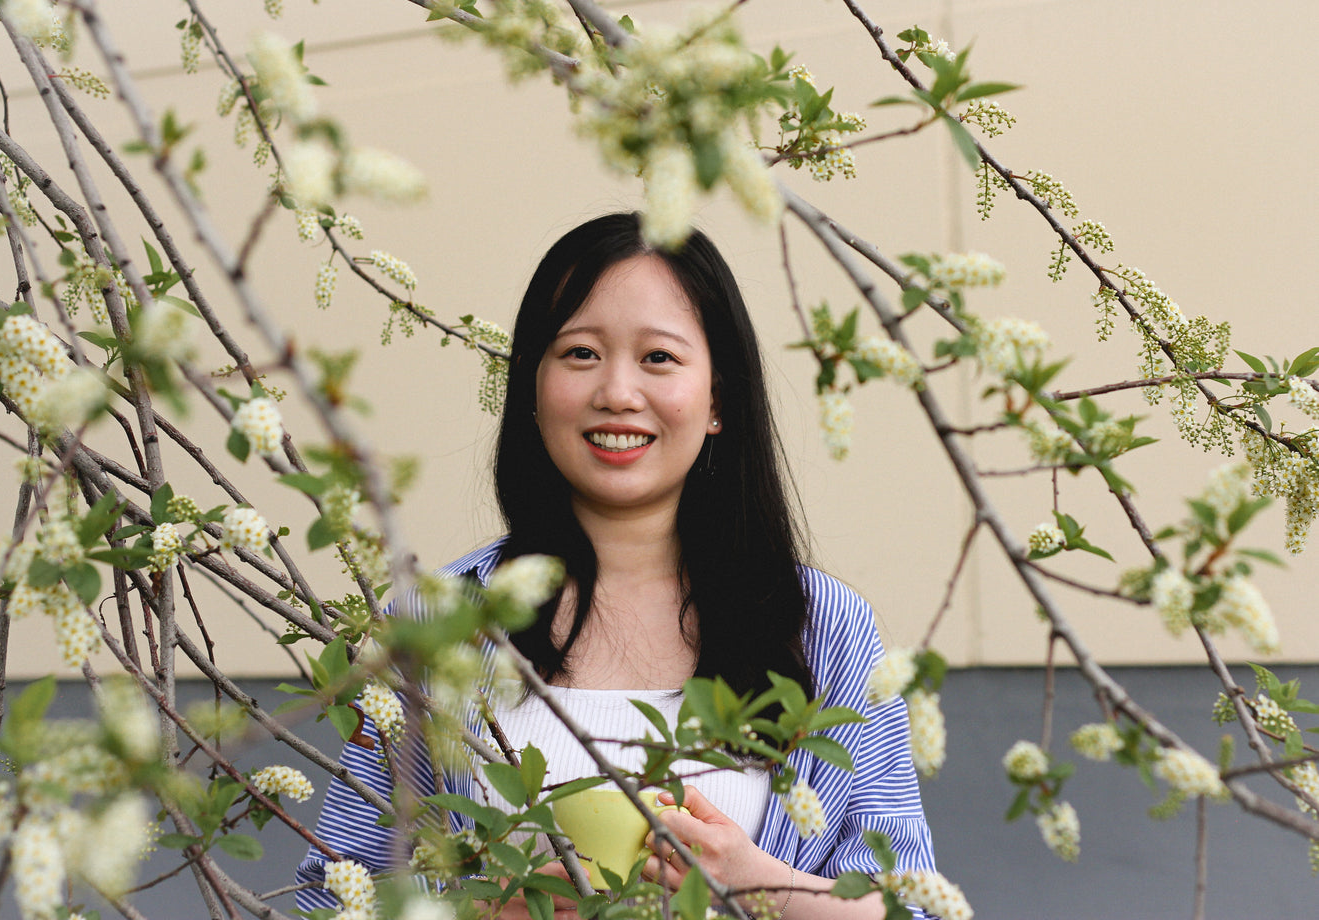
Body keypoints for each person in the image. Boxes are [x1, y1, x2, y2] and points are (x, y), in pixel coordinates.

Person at [297, 213, 937, 919]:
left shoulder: (823, 628)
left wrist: (757, 884)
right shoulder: (435, 622)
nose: (618, 393)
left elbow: (915, 908)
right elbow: (329, 895)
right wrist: (483, 908)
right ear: (533, 391)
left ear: (718, 397)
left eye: (658, 358)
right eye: (579, 354)